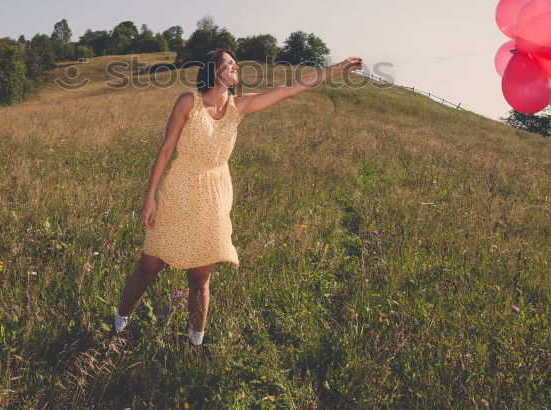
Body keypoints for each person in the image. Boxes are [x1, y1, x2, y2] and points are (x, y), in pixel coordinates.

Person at [112, 48, 363, 346]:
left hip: (216, 195)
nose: (236, 67)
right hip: (179, 189)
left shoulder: (239, 106)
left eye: (235, 63)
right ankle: (117, 329)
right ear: (213, 70)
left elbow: (290, 88)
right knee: (148, 268)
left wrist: (335, 69)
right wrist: (150, 197)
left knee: (200, 278)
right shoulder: (188, 101)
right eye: (229, 63)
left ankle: (194, 343)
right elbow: (166, 149)